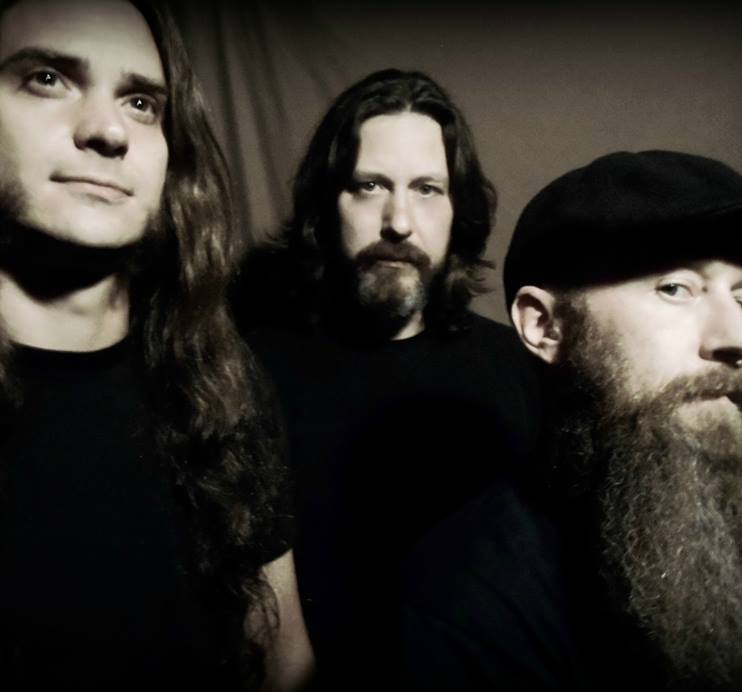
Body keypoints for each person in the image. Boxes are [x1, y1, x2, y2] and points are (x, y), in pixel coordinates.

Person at [0, 1, 313, 690]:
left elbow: (284, 662)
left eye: (141, 103)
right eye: (48, 79)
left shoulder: (223, 385)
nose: (109, 131)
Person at [400, 150, 742, 691]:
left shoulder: (717, 534)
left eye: (741, 298)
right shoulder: (465, 602)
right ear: (544, 326)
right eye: (675, 288)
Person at [233, 69, 540, 688]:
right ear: (327, 205)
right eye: (369, 186)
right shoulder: (244, 374)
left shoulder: (522, 372)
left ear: (457, 211)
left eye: (427, 189)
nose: (399, 221)